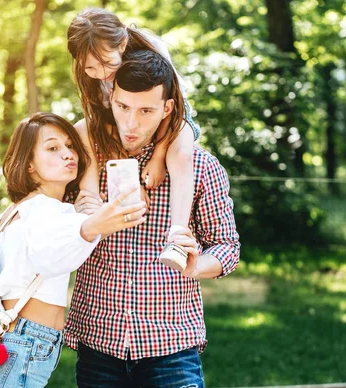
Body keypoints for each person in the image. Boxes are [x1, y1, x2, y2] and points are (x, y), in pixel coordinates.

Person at [64, 50, 241, 387]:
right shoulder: (82, 162)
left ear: (167, 108)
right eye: (123, 107)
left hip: (172, 348)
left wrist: (196, 266)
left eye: (146, 111)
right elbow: (48, 229)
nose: (131, 123)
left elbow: (227, 246)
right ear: (110, 98)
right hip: (99, 345)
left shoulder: (200, 167)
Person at [0, 112, 147, 387]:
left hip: (14, 338)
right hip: (22, 341)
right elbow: (48, 257)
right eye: (53, 148)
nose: (67, 154)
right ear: (28, 164)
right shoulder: (44, 208)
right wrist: (91, 227)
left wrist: (87, 220)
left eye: (70, 146)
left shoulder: (21, 210)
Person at [67, 7, 200, 270]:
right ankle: (90, 202)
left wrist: (159, 156)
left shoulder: (151, 52)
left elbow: (172, 110)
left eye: (107, 63)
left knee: (182, 155)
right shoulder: (92, 74)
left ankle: (178, 239)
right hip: (120, 123)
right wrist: (129, 176)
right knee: (80, 129)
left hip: (171, 118)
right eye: (90, 67)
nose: (100, 72)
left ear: (123, 44)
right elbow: (102, 120)